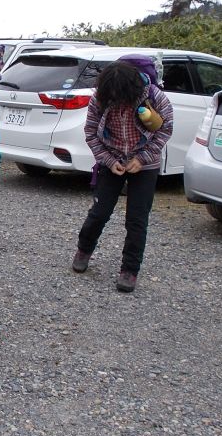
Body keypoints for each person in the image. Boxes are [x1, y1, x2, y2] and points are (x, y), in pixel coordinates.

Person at [71, 58, 173, 292]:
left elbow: (165, 129)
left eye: (121, 97)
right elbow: (90, 132)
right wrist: (109, 160)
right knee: (99, 212)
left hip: (144, 164)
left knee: (137, 220)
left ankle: (130, 270)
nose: (116, 101)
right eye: (112, 97)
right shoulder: (100, 97)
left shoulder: (155, 97)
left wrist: (142, 159)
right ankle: (83, 250)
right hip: (112, 159)